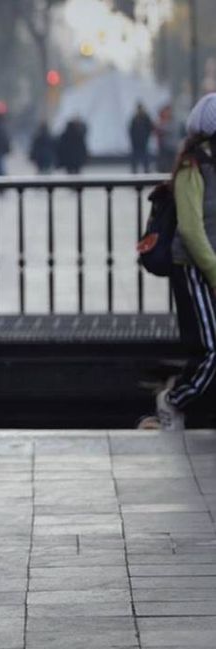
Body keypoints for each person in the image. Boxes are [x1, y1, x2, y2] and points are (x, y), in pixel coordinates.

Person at [156, 93, 216, 430]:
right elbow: (192, 230)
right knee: (211, 349)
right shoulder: (193, 167)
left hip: (210, 268)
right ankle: (173, 400)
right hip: (194, 268)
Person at [129, 103, 155, 174]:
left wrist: (147, 136)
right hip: (136, 142)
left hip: (144, 141)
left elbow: (150, 128)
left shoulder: (146, 117)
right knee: (135, 156)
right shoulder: (135, 118)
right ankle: (134, 169)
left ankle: (146, 168)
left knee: (145, 156)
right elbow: (131, 130)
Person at [155, 104, 180, 173]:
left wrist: (160, 127)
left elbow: (168, 129)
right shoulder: (163, 120)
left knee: (171, 166)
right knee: (163, 166)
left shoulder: (173, 120)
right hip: (164, 147)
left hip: (171, 147)